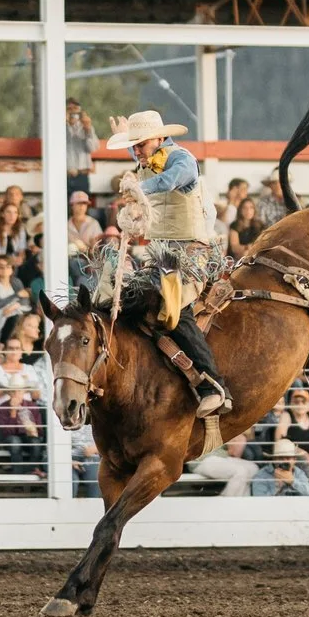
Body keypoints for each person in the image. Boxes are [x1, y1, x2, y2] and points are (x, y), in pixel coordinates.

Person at [107, 107, 231, 416]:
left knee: (176, 305)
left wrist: (139, 190)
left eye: (141, 144)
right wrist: (127, 138)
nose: (137, 151)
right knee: (124, 294)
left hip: (195, 252)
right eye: (133, 146)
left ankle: (212, 385)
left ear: (160, 138)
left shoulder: (182, 160)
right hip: (164, 254)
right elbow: (146, 163)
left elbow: (170, 180)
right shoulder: (147, 158)